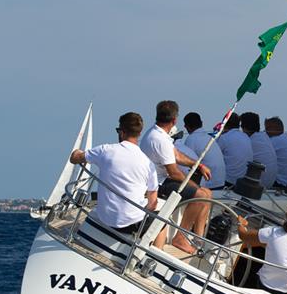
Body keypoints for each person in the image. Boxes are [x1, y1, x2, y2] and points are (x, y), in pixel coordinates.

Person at [140, 100, 212, 253]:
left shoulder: (159, 134)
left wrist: (197, 165)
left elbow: (177, 155)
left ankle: (197, 240)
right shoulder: (159, 140)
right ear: (174, 120)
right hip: (157, 184)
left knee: (208, 194)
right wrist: (194, 186)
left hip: (164, 179)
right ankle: (180, 238)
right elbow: (173, 172)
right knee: (200, 195)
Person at [69, 112, 158, 234]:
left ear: (122, 132)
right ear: (139, 134)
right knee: (161, 220)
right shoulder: (148, 164)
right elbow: (153, 204)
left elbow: (74, 158)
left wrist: (78, 151)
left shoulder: (105, 151)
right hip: (132, 224)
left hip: (105, 219)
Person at [183, 112, 227, 190]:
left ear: (186, 127)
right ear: (202, 123)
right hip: (221, 182)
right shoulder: (210, 138)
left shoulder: (191, 139)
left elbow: (185, 164)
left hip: (209, 184)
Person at [240, 112, 278, 189]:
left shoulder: (250, 141)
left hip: (259, 183)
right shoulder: (263, 136)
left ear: (244, 127)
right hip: (270, 181)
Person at [216, 113, 254, 187]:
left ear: (225, 124)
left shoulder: (224, 138)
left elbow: (214, 155)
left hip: (228, 181)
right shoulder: (246, 136)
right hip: (243, 181)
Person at [264, 116, 287, 187]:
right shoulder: (285, 139)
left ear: (275, 128)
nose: (265, 131)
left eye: (267, 128)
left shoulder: (274, 141)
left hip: (280, 183)